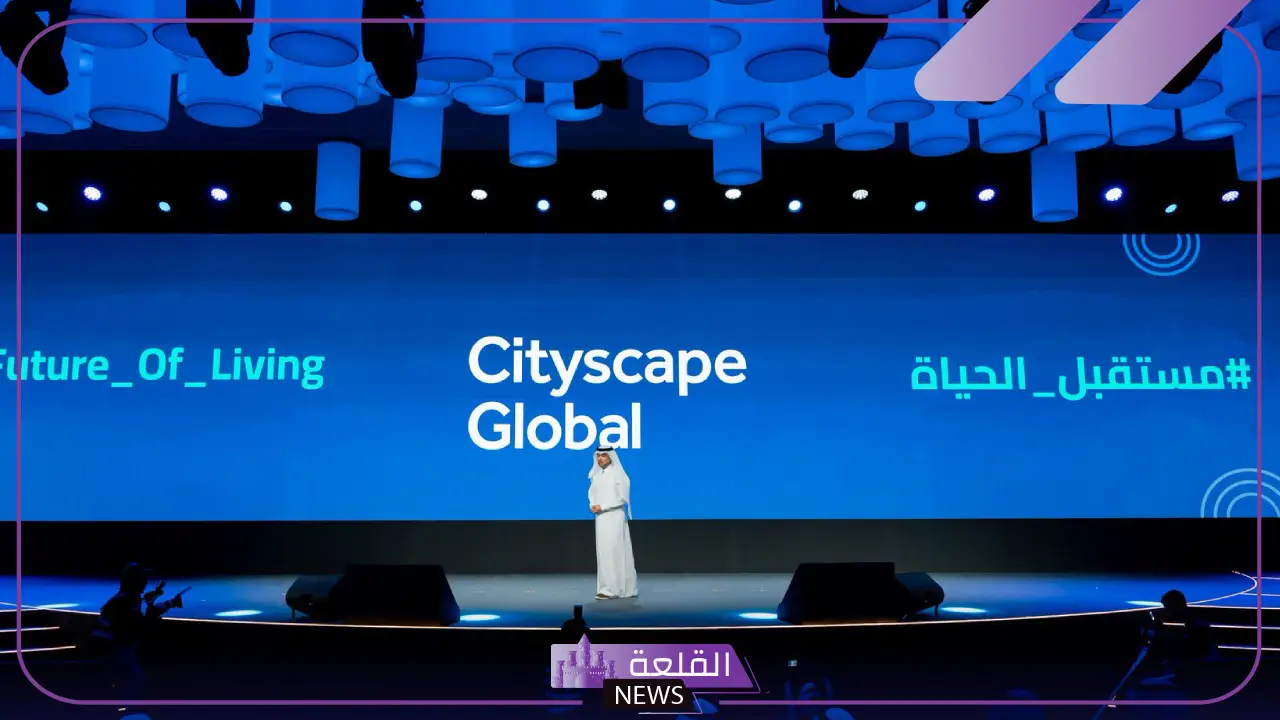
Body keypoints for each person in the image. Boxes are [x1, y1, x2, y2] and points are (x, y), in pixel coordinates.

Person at [90, 563, 184, 702]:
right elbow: (136, 625)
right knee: (136, 684)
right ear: (134, 581)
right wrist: (155, 609)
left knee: (135, 682)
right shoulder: (126, 601)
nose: (146, 582)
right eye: (142, 578)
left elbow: (139, 620)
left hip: (112, 649)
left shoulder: (126, 598)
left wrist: (166, 603)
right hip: (112, 651)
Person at [588, 446, 637, 599]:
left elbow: (623, 499)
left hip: (615, 517)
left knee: (615, 551)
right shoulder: (596, 475)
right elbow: (592, 494)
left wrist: (603, 506)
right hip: (600, 518)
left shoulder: (619, 475)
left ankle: (615, 590)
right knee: (603, 552)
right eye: (598, 455)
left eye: (603, 455)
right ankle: (607, 588)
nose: (600, 458)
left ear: (610, 457)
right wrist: (593, 505)